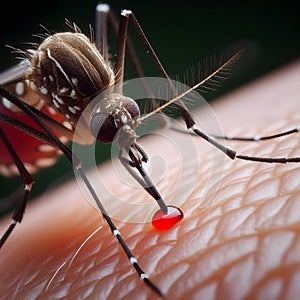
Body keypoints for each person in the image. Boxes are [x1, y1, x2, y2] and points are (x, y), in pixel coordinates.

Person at [0, 61, 299, 299]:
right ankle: (27, 184)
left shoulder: (102, 100)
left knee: (121, 16)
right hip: (16, 126)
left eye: (132, 113)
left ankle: (194, 130)